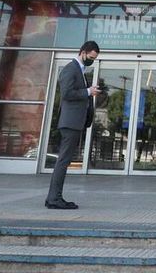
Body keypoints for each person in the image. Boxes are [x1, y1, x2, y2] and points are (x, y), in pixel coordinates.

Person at [45, 41, 100, 210]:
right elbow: (67, 93)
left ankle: (53, 197)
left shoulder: (80, 70)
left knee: (64, 160)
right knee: (63, 161)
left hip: (75, 122)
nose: (92, 60)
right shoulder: (70, 69)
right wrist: (88, 92)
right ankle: (55, 198)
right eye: (90, 57)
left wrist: (89, 91)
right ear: (82, 52)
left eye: (94, 59)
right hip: (70, 123)